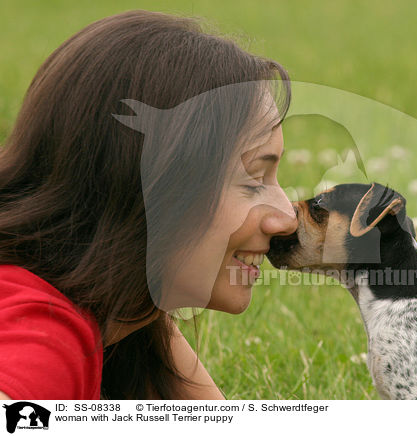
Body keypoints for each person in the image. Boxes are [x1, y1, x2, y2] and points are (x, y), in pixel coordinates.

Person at [0, 10, 297, 400]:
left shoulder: (116, 312)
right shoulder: (42, 336)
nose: (287, 219)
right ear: (154, 187)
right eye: (252, 180)